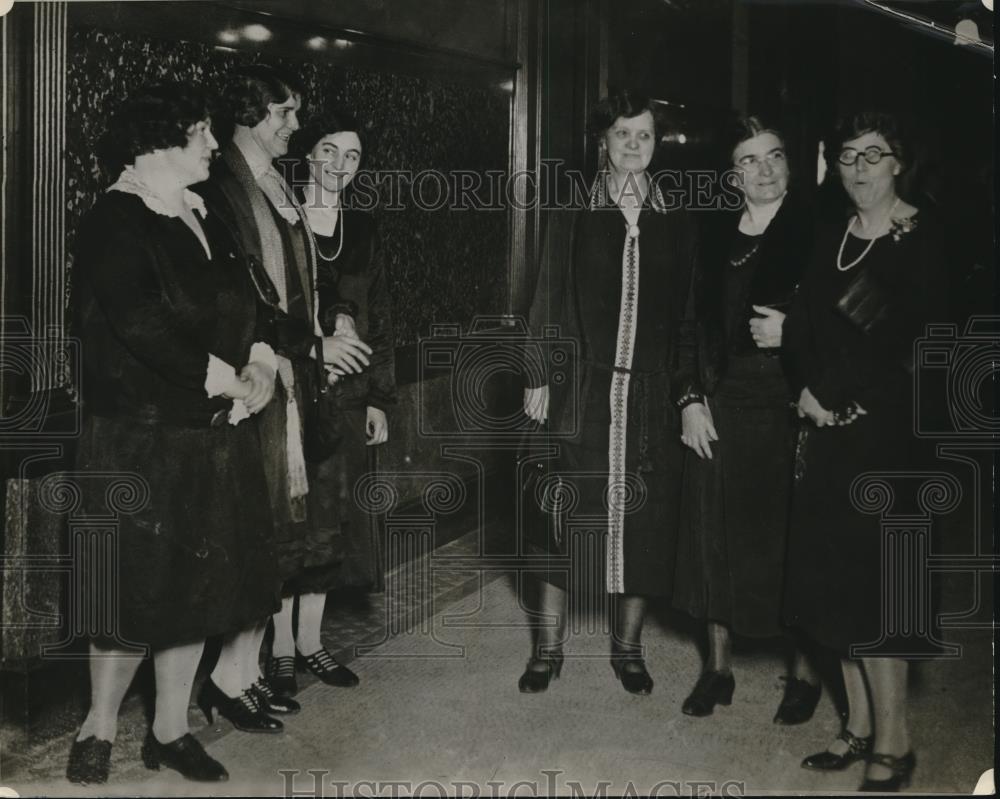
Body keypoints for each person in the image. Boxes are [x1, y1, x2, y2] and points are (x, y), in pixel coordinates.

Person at [66, 82, 280, 784]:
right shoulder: (114, 219)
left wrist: (260, 359)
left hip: (207, 431)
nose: (213, 146)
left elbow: (248, 299)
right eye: (198, 135)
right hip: (139, 436)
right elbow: (142, 322)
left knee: (193, 590)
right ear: (154, 144)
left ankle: (169, 728)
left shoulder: (204, 212)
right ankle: (97, 725)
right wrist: (225, 375)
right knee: (132, 591)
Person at [195, 65, 372, 727]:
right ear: (250, 118)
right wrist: (308, 344)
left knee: (276, 530)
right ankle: (225, 675)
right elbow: (245, 298)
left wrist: (323, 336)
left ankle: (239, 673)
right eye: (285, 114)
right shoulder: (224, 189)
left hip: (287, 377)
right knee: (255, 530)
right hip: (252, 378)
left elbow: (305, 285)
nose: (295, 126)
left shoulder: (267, 183)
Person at [782, 112, 948, 792]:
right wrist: (807, 391)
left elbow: (908, 340)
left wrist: (837, 392)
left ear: (899, 162)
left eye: (873, 154)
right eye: (847, 155)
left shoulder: (924, 237)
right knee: (833, 587)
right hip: (826, 427)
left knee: (883, 593)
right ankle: (856, 726)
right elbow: (803, 327)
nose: (859, 167)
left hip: (889, 434)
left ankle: (895, 743)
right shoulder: (833, 235)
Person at [520, 90, 696, 695]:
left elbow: (686, 315)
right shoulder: (571, 211)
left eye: (643, 136)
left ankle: (628, 649)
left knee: (645, 521)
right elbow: (546, 295)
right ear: (603, 141)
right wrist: (539, 372)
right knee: (560, 517)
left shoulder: (675, 219)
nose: (632, 145)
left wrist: (686, 392)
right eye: (622, 134)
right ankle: (547, 650)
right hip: (583, 390)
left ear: (656, 145)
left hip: (648, 396)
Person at [672, 116, 822, 721]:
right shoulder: (710, 237)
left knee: (793, 536)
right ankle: (717, 669)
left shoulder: (819, 230)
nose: (764, 169)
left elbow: (850, 320)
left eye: (774, 156)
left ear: (789, 163)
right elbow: (686, 326)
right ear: (732, 176)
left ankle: (805, 675)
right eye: (750, 160)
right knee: (714, 532)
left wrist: (794, 335)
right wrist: (688, 399)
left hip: (791, 404)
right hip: (720, 398)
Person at [263, 112, 396, 695]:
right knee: (289, 521)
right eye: (330, 151)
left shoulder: (363, 227)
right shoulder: (278, 218)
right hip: (290, 391)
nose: (342, 166)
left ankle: (312, 643)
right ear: (307, 155)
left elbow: (380, 315)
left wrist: (379, 398)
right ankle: (280, 649)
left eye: (354, 155)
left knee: (329, 524)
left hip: (345, 395)